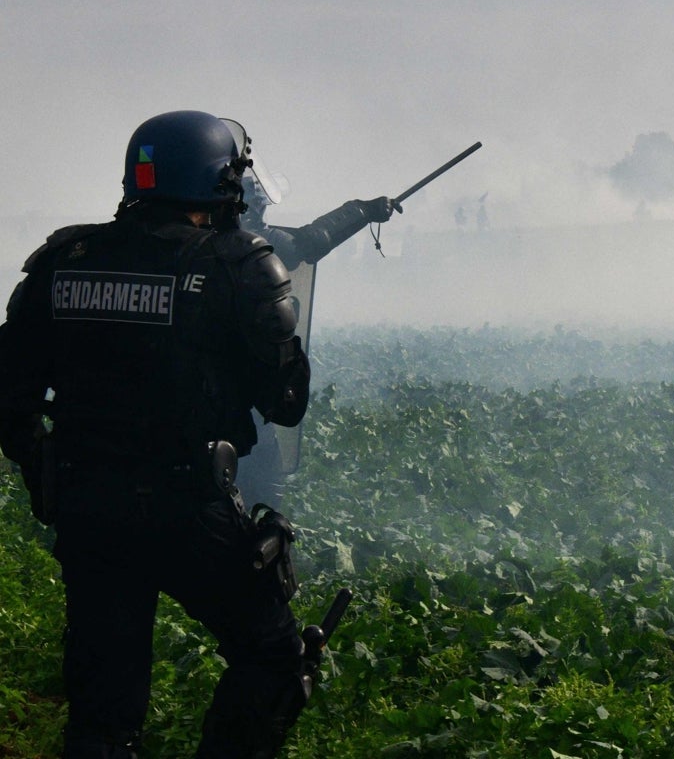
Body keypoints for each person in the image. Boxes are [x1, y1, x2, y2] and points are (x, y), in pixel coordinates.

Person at [0, 110, 315, 757]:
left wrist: (48, 478)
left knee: (102, 716)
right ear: (223, 183)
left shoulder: (65, 260)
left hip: (90, 511)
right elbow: (286, 403)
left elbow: (9, 397)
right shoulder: (240, 263)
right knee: (275, 657)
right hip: (189, 508)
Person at [238, 174, 393, 510]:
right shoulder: (240, 244)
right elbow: (304, 245)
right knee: (260, 497)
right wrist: (361, 211)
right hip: (232, 405)